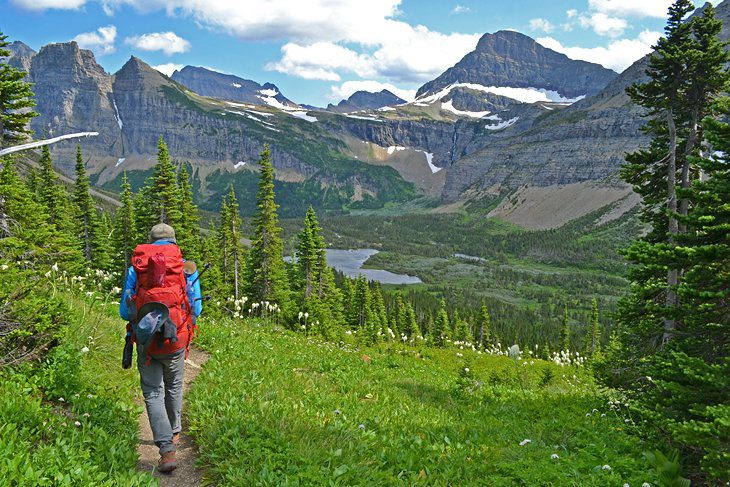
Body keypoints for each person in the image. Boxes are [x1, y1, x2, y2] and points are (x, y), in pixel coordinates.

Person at [119, 223, 202, 473]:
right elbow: (196, 309)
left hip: (147, 342)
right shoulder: (184, 267)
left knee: (153, 391)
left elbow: (124, 310)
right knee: (174, 384)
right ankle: (174, 432)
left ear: (150, 241)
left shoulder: (138, 268)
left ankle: (166, 450)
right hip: (176, 338)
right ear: (174, 242)